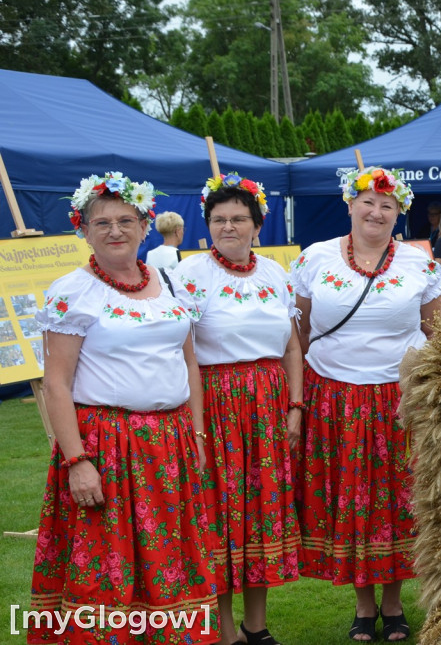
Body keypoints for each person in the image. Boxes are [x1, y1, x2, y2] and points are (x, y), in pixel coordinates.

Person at [30, 172, 217, 643]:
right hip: (106, 444)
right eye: (102, 223)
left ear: (144, 224)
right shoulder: (73, 291)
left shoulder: (170, 281)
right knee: (107, 563)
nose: (115, 231)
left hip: (169, 442)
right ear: (84, 230)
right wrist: (77, 462)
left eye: (125, 220)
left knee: (169, 556)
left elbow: (189, 362)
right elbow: (56, 383)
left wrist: (195, 434)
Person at [291, 166, 441, 642]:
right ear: (350, 205)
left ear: (398, 213)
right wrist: (299, 396)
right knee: (349, 499)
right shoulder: (315, 257)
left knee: (399, 500)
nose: (376, 211)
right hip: (332, 398)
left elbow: (439, 332)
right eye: (368, 202)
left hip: (398, 399)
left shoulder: (419, 264)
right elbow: (298, 333)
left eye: (387, 205)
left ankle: (395, 603)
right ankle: (362, 603)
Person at [173, 173, 302, 645]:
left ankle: (257, 625)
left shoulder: (273, 273)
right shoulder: (189, 275)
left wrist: (294, 405)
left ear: (257, 225)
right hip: (217, 400)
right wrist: (198, 426)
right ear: (207, 226)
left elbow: (291, 347)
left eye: (239, 219)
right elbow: (183, 354)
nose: (229, 227)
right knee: (223, 516)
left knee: (261, 511)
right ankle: (226, 631)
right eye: (219, 219)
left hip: (267, 401)